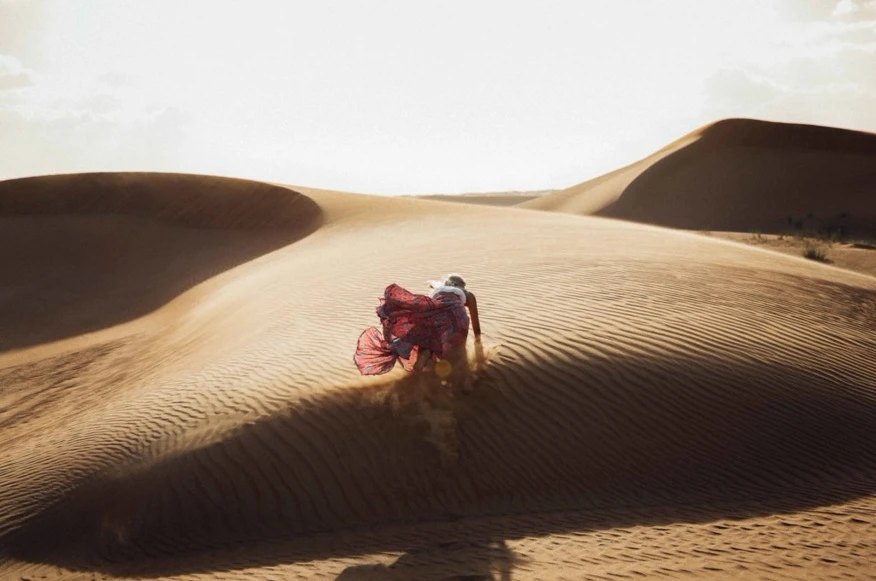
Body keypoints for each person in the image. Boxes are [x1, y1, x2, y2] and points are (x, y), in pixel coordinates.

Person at [354, 274, 481, 376]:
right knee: (457, 350)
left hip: (433, 318)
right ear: (461, 285)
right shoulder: (467, 294)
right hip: (457, 318)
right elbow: (476, 322)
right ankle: (462, 375)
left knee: (427, 340)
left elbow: (427, 307)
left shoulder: (437, 291)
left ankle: (431, 369)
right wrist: (478, 342)